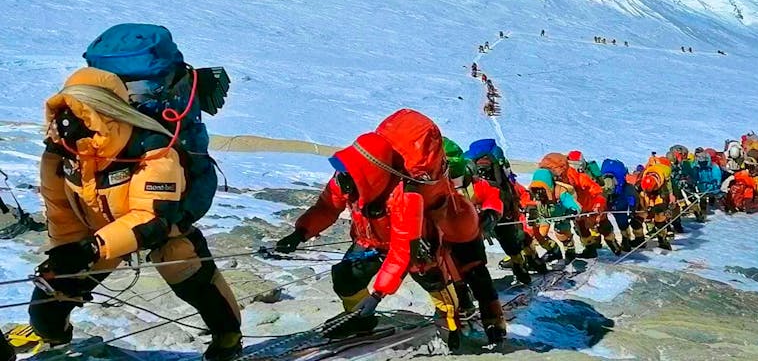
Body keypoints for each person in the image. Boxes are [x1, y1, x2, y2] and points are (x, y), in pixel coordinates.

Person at [28, 68, 241, 361]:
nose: (67, 122)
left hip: (163, 232)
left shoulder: (153, 148)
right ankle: (60, 348)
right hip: (100, 235)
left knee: (203, 294)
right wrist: (66, 251)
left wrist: (91, 248)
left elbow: (152, 218)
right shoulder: (62, 152)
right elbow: (60, 206)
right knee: (46, 308)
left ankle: (228, 343)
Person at [276, 110, 506, 348]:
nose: (341, 177)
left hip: (419, 247)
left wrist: (377, 295)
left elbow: (402, 250)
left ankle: (455, 323)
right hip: (371, 241)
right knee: (345, 278)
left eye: (348, 173)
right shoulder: (348, 177)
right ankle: (360, 318)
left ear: (368, 174)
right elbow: (326, 206)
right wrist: (300, 233)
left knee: (438, 289)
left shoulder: (406, 197)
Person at [463, 139, 545, 283]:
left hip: (482, 219)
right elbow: (517, 191)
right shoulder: (503, 180)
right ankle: (524, 266)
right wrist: (529, 205)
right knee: (516, 242)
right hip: (503, 217)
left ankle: (524, 264)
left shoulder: (473, 182)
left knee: (516, 241)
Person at [524, 168, 582, 263]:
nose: (539, 193)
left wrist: (573, 210)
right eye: (536, 189)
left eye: (542, 189)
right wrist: (528, 210)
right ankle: (554, 250)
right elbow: (528, 202)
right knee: (540, 234)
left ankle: (570, 252)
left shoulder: (560, 191)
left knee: (562, 234)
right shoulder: (533, 193)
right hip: (544, 215)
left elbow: (571, 202)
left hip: (561, 215)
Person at [563, 151, 614, 258]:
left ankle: (613, 246)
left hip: (591, 203)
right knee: (582, 228)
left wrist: (599, 203)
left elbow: (598, 188)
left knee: (601, 225)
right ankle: (592, 249)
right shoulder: (567, 176)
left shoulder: (582, 177)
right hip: (579, 206)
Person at [599, 159, 638, 252]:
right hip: (619, 203)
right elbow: (632, 196)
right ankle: (626, 242)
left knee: (603, 223)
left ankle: (613, 244)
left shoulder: (603, 187)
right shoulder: (625, 186)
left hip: (608, 203)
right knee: (622, 223)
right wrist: (632, 209)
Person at [635, 164, 676, 250]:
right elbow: (638, 194)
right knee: (636, 220)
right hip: (646, 193)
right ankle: (639, 239)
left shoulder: (664, 187)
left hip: (659, 197)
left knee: (660, 219)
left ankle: (662, 240)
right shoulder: (642, 178)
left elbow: (664, 204)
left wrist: (654, 209)